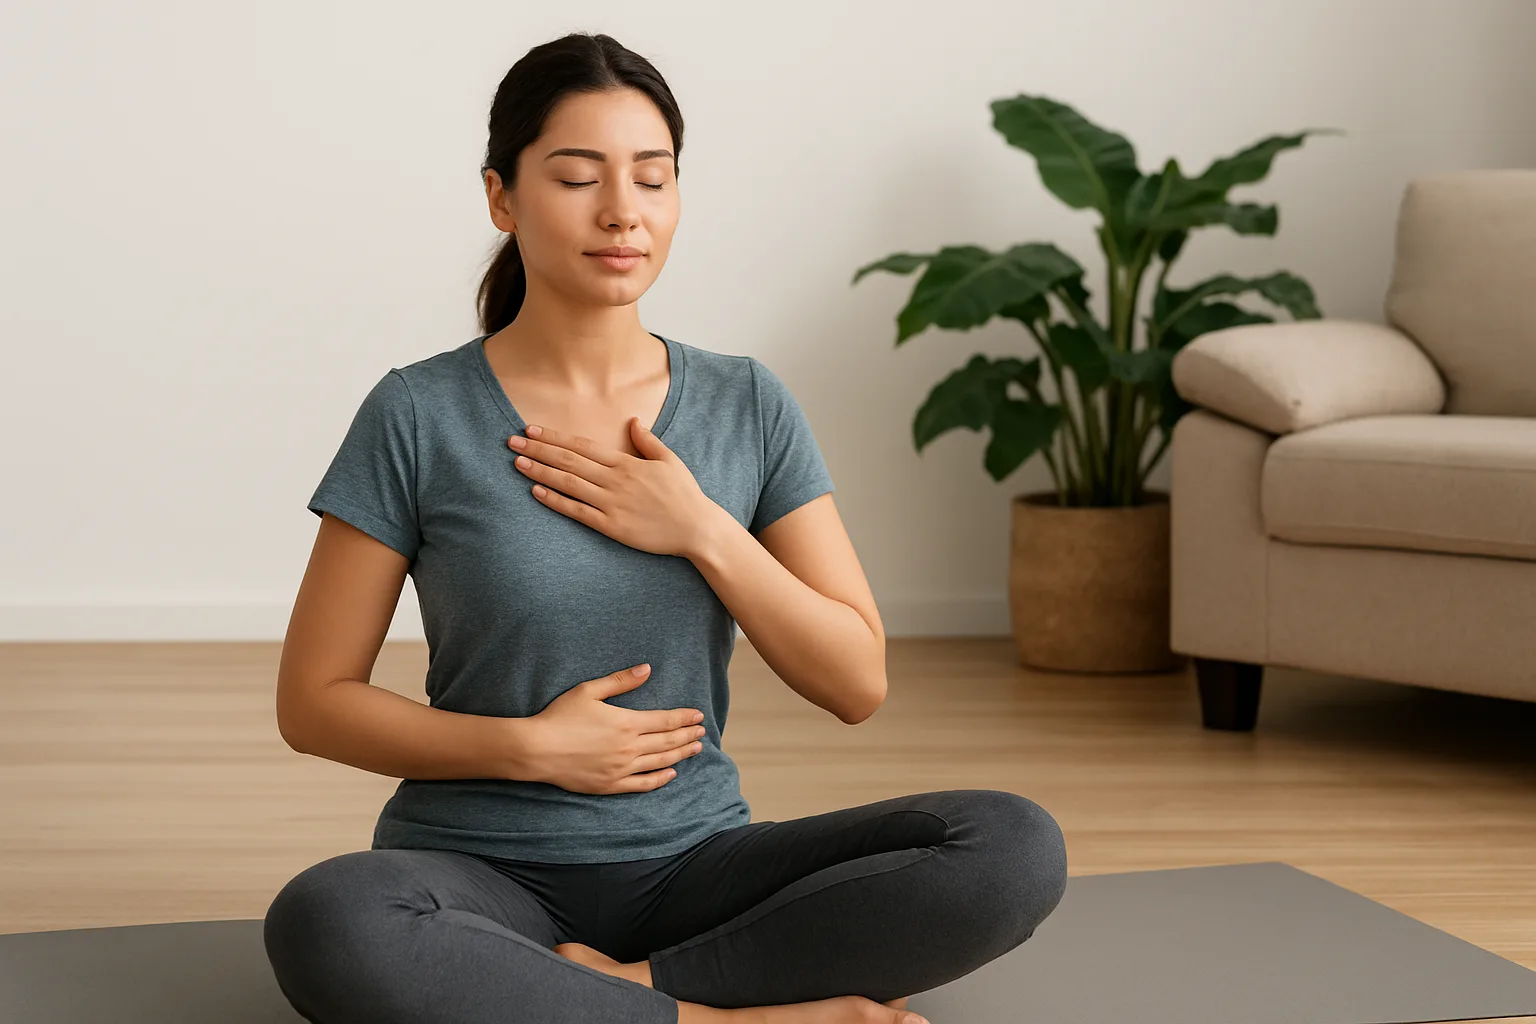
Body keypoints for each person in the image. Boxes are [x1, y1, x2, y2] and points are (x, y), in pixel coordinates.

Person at [262, 30, 1068, 1024]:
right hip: (478, 876)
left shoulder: (746, 404)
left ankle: (628, 996)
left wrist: (702, 529)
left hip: (698, 869)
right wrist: (535, 748)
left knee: (1009, 847)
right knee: (329, 919)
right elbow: (313, 700)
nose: (621, 212)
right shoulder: (418, 414)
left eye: (653, 178)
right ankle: (725, 1018)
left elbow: (855, 680)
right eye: (577, 177)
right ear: (501, 197)